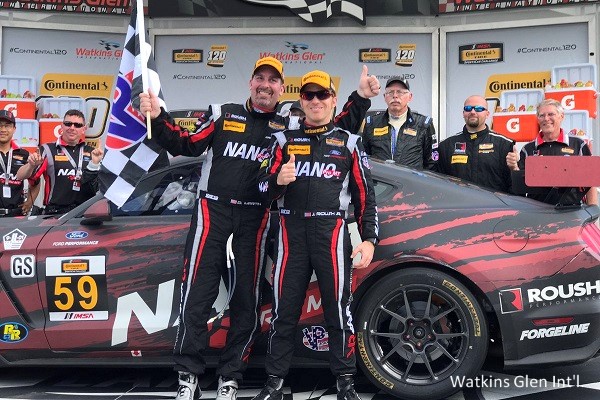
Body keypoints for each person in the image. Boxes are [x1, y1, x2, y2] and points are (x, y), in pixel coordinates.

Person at [138, 57, 381, 400]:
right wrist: (158, 117)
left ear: (282, 89)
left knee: (246, 300)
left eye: (273, 80)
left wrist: (361, 98)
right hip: (213, 211)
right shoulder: (223, 113)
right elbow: (185, 145)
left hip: (257, 217)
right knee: (197, 294)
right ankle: (188, 376)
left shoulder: (289, 125)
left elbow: (329, 127)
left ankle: (231, 377)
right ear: (250, 83)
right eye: (260, 78)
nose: (265, 85)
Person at [253, 70, 379, 400]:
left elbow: (365, 197)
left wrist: (369, 239)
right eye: (309, 95)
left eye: (322, 94)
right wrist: (277, 181)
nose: (315, 101)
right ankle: (274, 383)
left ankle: (346, 383)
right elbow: (260, 190)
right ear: (301, 101)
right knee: (283, 312)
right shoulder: (282, 141)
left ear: (333, 100)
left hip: (331, 233)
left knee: (338, 310)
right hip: (290, 233)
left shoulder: (349, 142)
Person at [506, 98, 598, 205]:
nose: (546, 119)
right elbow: (521, 186)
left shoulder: (578, 144)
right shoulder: (528, 149)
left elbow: (591, 181)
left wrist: (593, 207)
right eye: (542, 115)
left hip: (571, 209)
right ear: (538, 119)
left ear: (561, 116)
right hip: (537, 210)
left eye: (551, 114)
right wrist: (514, 168)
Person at [21, 109, 103, 215]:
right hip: (56, 213)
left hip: (85, 213)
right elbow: (25, 177)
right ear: (62, 126)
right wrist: (30, 165)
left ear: (84, 129)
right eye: (68, 124)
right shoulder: (47, 149)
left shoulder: (93, 153)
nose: (72, 128)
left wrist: (94, 165)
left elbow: (98, 187)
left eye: (77, 125)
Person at [436, 95, 513, 192]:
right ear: (463, 113)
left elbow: (513, 186)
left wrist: (515, 169)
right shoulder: (446, 145)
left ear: (487, 114)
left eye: (479, 109)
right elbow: (438, 184)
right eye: (468, 108)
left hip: (492, 201)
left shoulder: (504, 144)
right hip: (458, 201)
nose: (472, 112)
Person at [361, 76, 437, 169]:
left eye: (400, 92)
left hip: (411, 178)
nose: (395, 96)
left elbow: (431, 163)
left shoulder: (423, 124)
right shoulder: (372, 123)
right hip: (380, 178)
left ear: (410, 97)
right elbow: (364, 159)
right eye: (390, 92)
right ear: (385, 97)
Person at [0, 110, 33, 217]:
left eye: (7, 126)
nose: (3, 129)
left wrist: (29, 202)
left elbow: (36, 181)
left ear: (14, 129)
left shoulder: (24, 154)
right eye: (0, 125)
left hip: (16, 216)